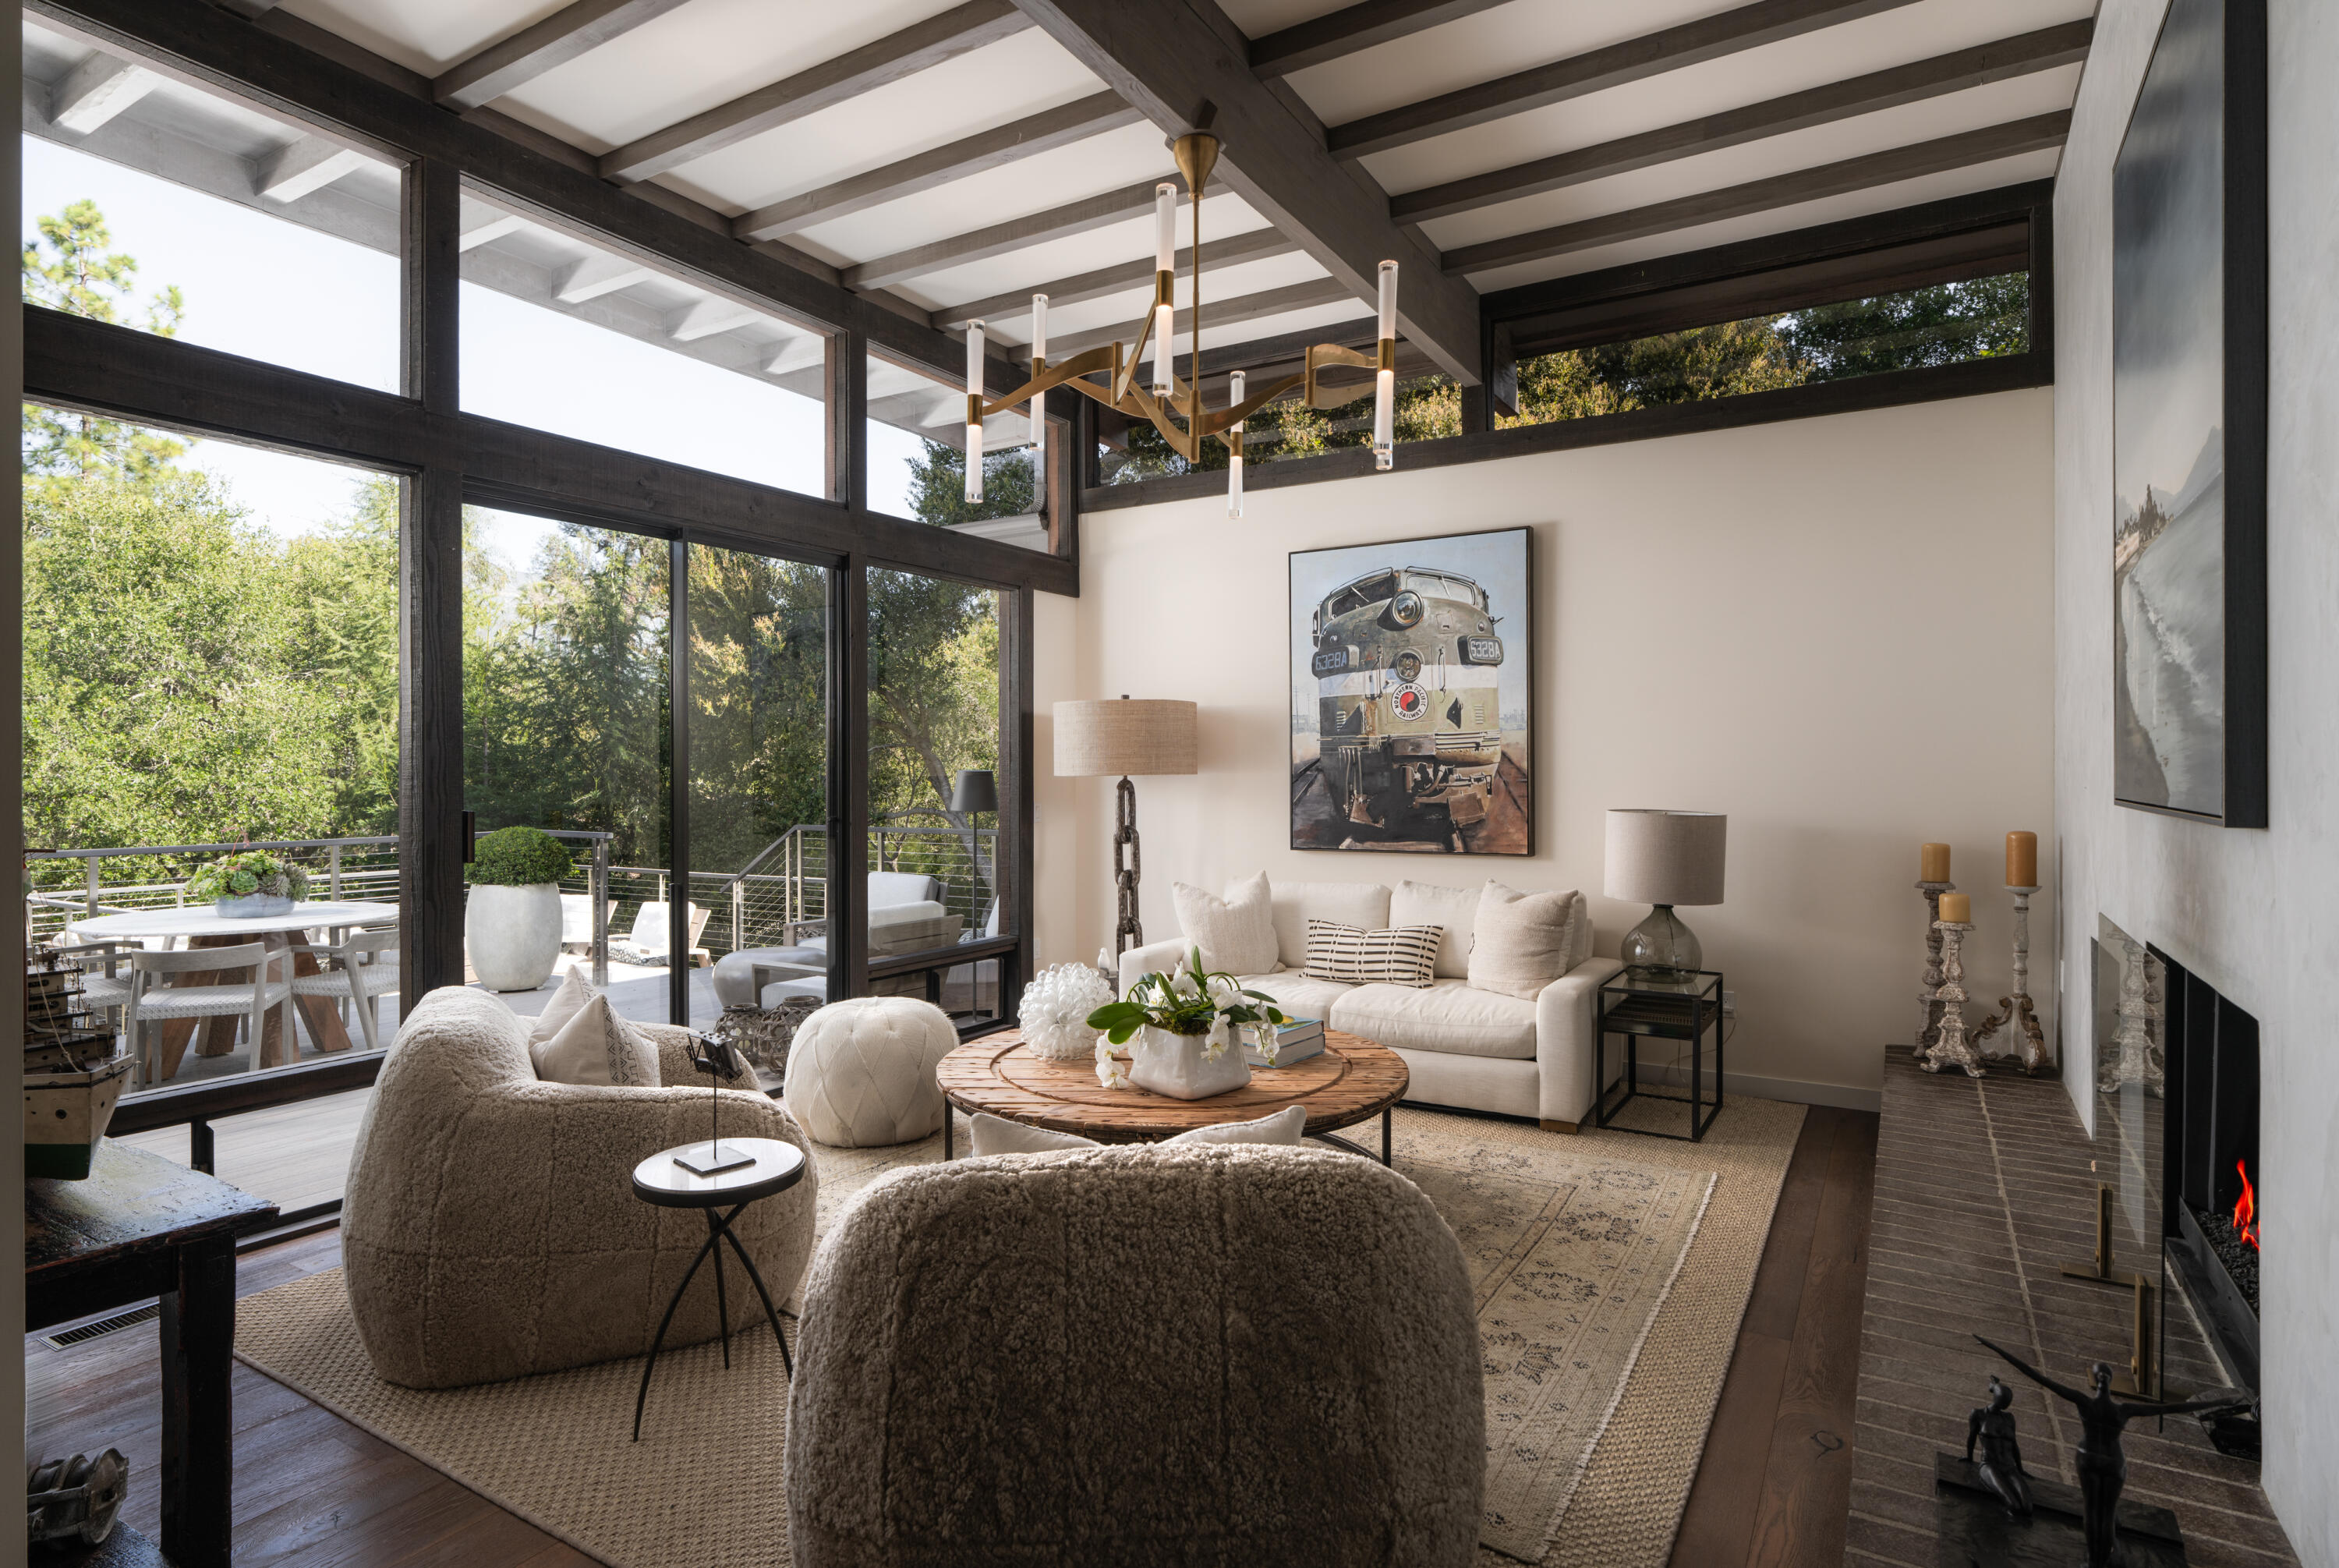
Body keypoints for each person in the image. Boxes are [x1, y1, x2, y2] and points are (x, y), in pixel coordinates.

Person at [1976, 1336, 2247, 1568]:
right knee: (2107, 1513)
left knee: (2093, 1511)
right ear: (2110, 1380)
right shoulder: (2123, 1410)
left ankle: (2094, 1561)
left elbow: (2039, 1377)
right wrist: (2223, 1400)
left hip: (2089, 1457)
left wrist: (1999, 1351)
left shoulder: (2085, 1403)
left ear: (2095, 1381)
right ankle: (2103, 1558)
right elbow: (2170, 1409)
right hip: (2113, 1462)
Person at [1965, 1374, 2032, 1518]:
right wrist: (1969, 1457)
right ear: (1996, 1398)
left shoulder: (2009, 1418)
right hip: (1989, 1465)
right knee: (2013, 1504)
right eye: (2004, 1401)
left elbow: (2014, 1445)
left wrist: (2020, 1468)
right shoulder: (1979, 1414)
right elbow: (1972, 1438)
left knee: (2027, 1507)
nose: (2006, 1405)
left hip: (2009, 1466)